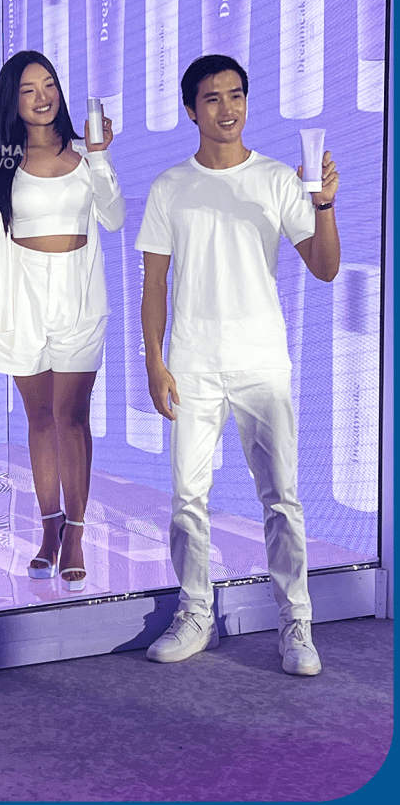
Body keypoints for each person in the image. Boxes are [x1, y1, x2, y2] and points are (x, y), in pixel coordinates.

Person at [135, 53, 340, 675]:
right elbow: (153, 285)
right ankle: (196, 614)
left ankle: (296, 624)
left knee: (283, 500)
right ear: (190, 110)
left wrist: (324, 205)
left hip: (261, 363)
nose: (227, 108)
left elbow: (325, 267)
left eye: (236, 95)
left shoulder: (278, 179)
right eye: (213, 98)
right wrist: (154, 363)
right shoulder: (170, 186)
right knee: (186, 500)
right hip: (192, 365)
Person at [0, 51, 125, 590]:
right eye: (28, 90)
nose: (42, 98)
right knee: (39, 418)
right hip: (20, 298)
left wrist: (100, 157)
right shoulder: (0, 165)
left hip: (79, 295)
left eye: (49, 85)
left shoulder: (86, 154)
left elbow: (114, 217)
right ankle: (49, 528)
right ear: (12, 101)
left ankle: (77, 532)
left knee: (71, 416)